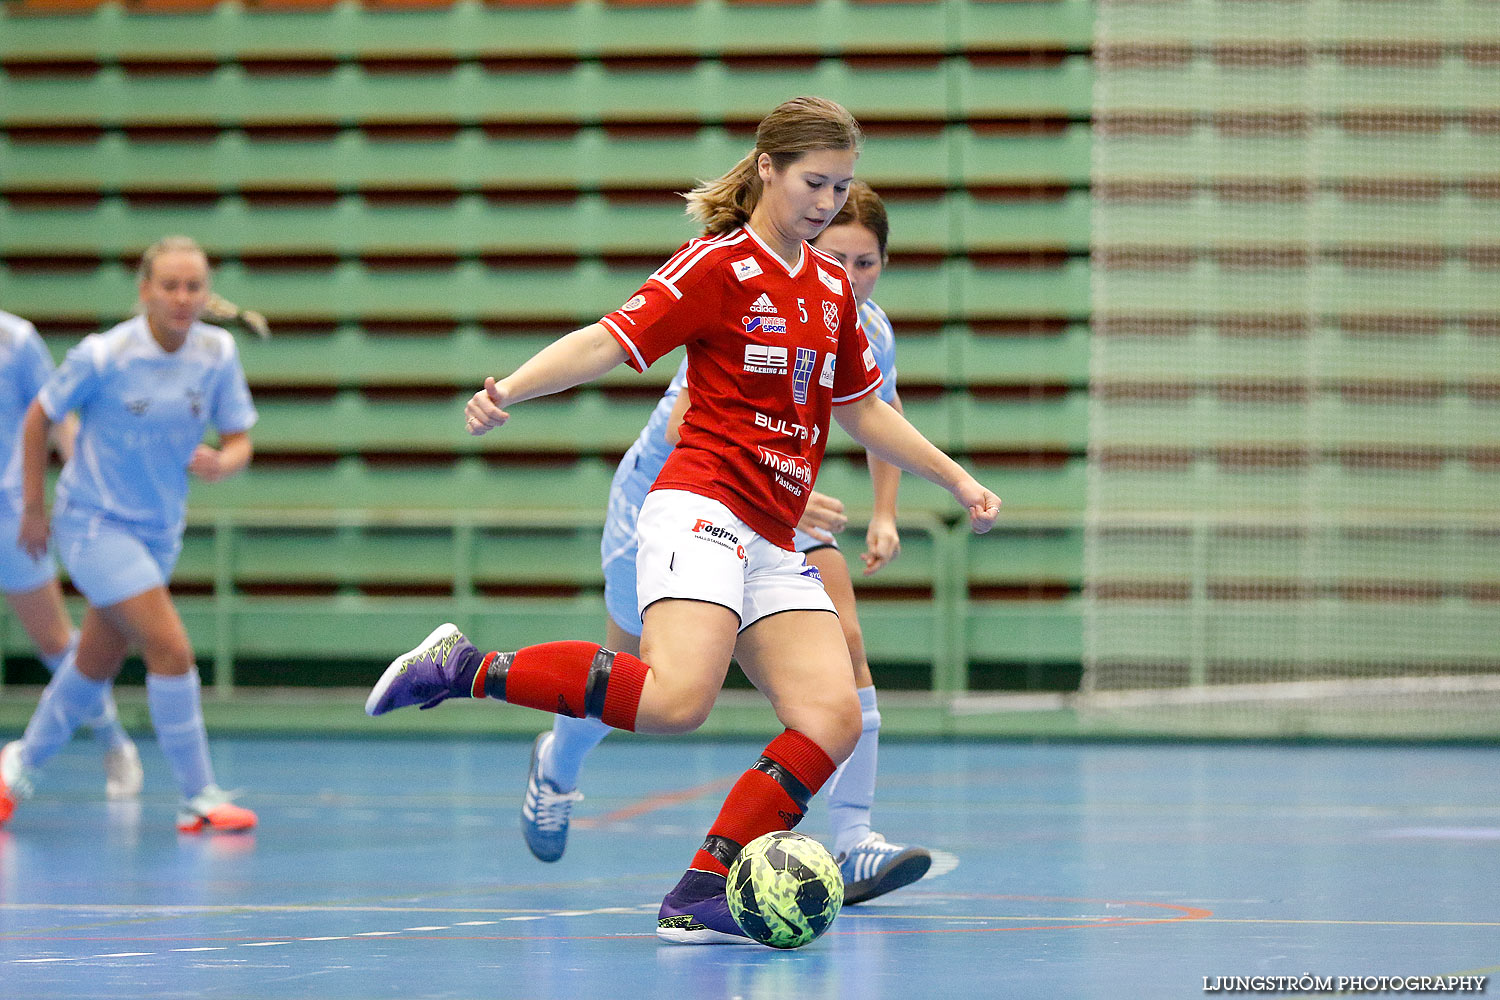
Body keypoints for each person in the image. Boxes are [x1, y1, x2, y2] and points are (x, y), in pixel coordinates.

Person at [364, 96, 999, 944]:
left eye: (841, 189)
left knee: (833, 717)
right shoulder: (716, 266)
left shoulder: (829, 292)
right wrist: (507, 389)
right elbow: (605, 340)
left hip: (773, 536)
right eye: (815, 182)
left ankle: (699, 890)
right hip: (698, 506)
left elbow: (865, 409)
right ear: (767, 168)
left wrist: (957, 480)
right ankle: (462, 665)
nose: (826, 204)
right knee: (673, 700)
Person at [518, 181, 935, 906]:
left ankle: (855, 838)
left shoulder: (867, 324)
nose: (853, 274)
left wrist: (886, 513)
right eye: (837, 255)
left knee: (847, 640)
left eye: (867, 262)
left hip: (774, 513)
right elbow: (690, 426)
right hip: (672, 498)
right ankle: (555, 762)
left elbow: (877, 408)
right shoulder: (754, 296)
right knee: (646, 682)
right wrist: (793, 493)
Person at [0, 237, 260, 834]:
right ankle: (199, 796)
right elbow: (39, 414)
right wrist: (33, 507)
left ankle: (15, 767)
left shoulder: (217, 353)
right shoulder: (105, 355)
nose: (181, 297)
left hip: (160, 533)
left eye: (193, 286)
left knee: (92, 660)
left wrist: (226, 461)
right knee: (170, 649)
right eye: (169, 285)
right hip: (93, 524)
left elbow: (241, 438)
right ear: (145, 290)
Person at [1, 309, 144, 803]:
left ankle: (115, 743)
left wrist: (87, 486)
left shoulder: (16, 340)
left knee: (56, 641)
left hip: (12, 518)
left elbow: (56, 417)